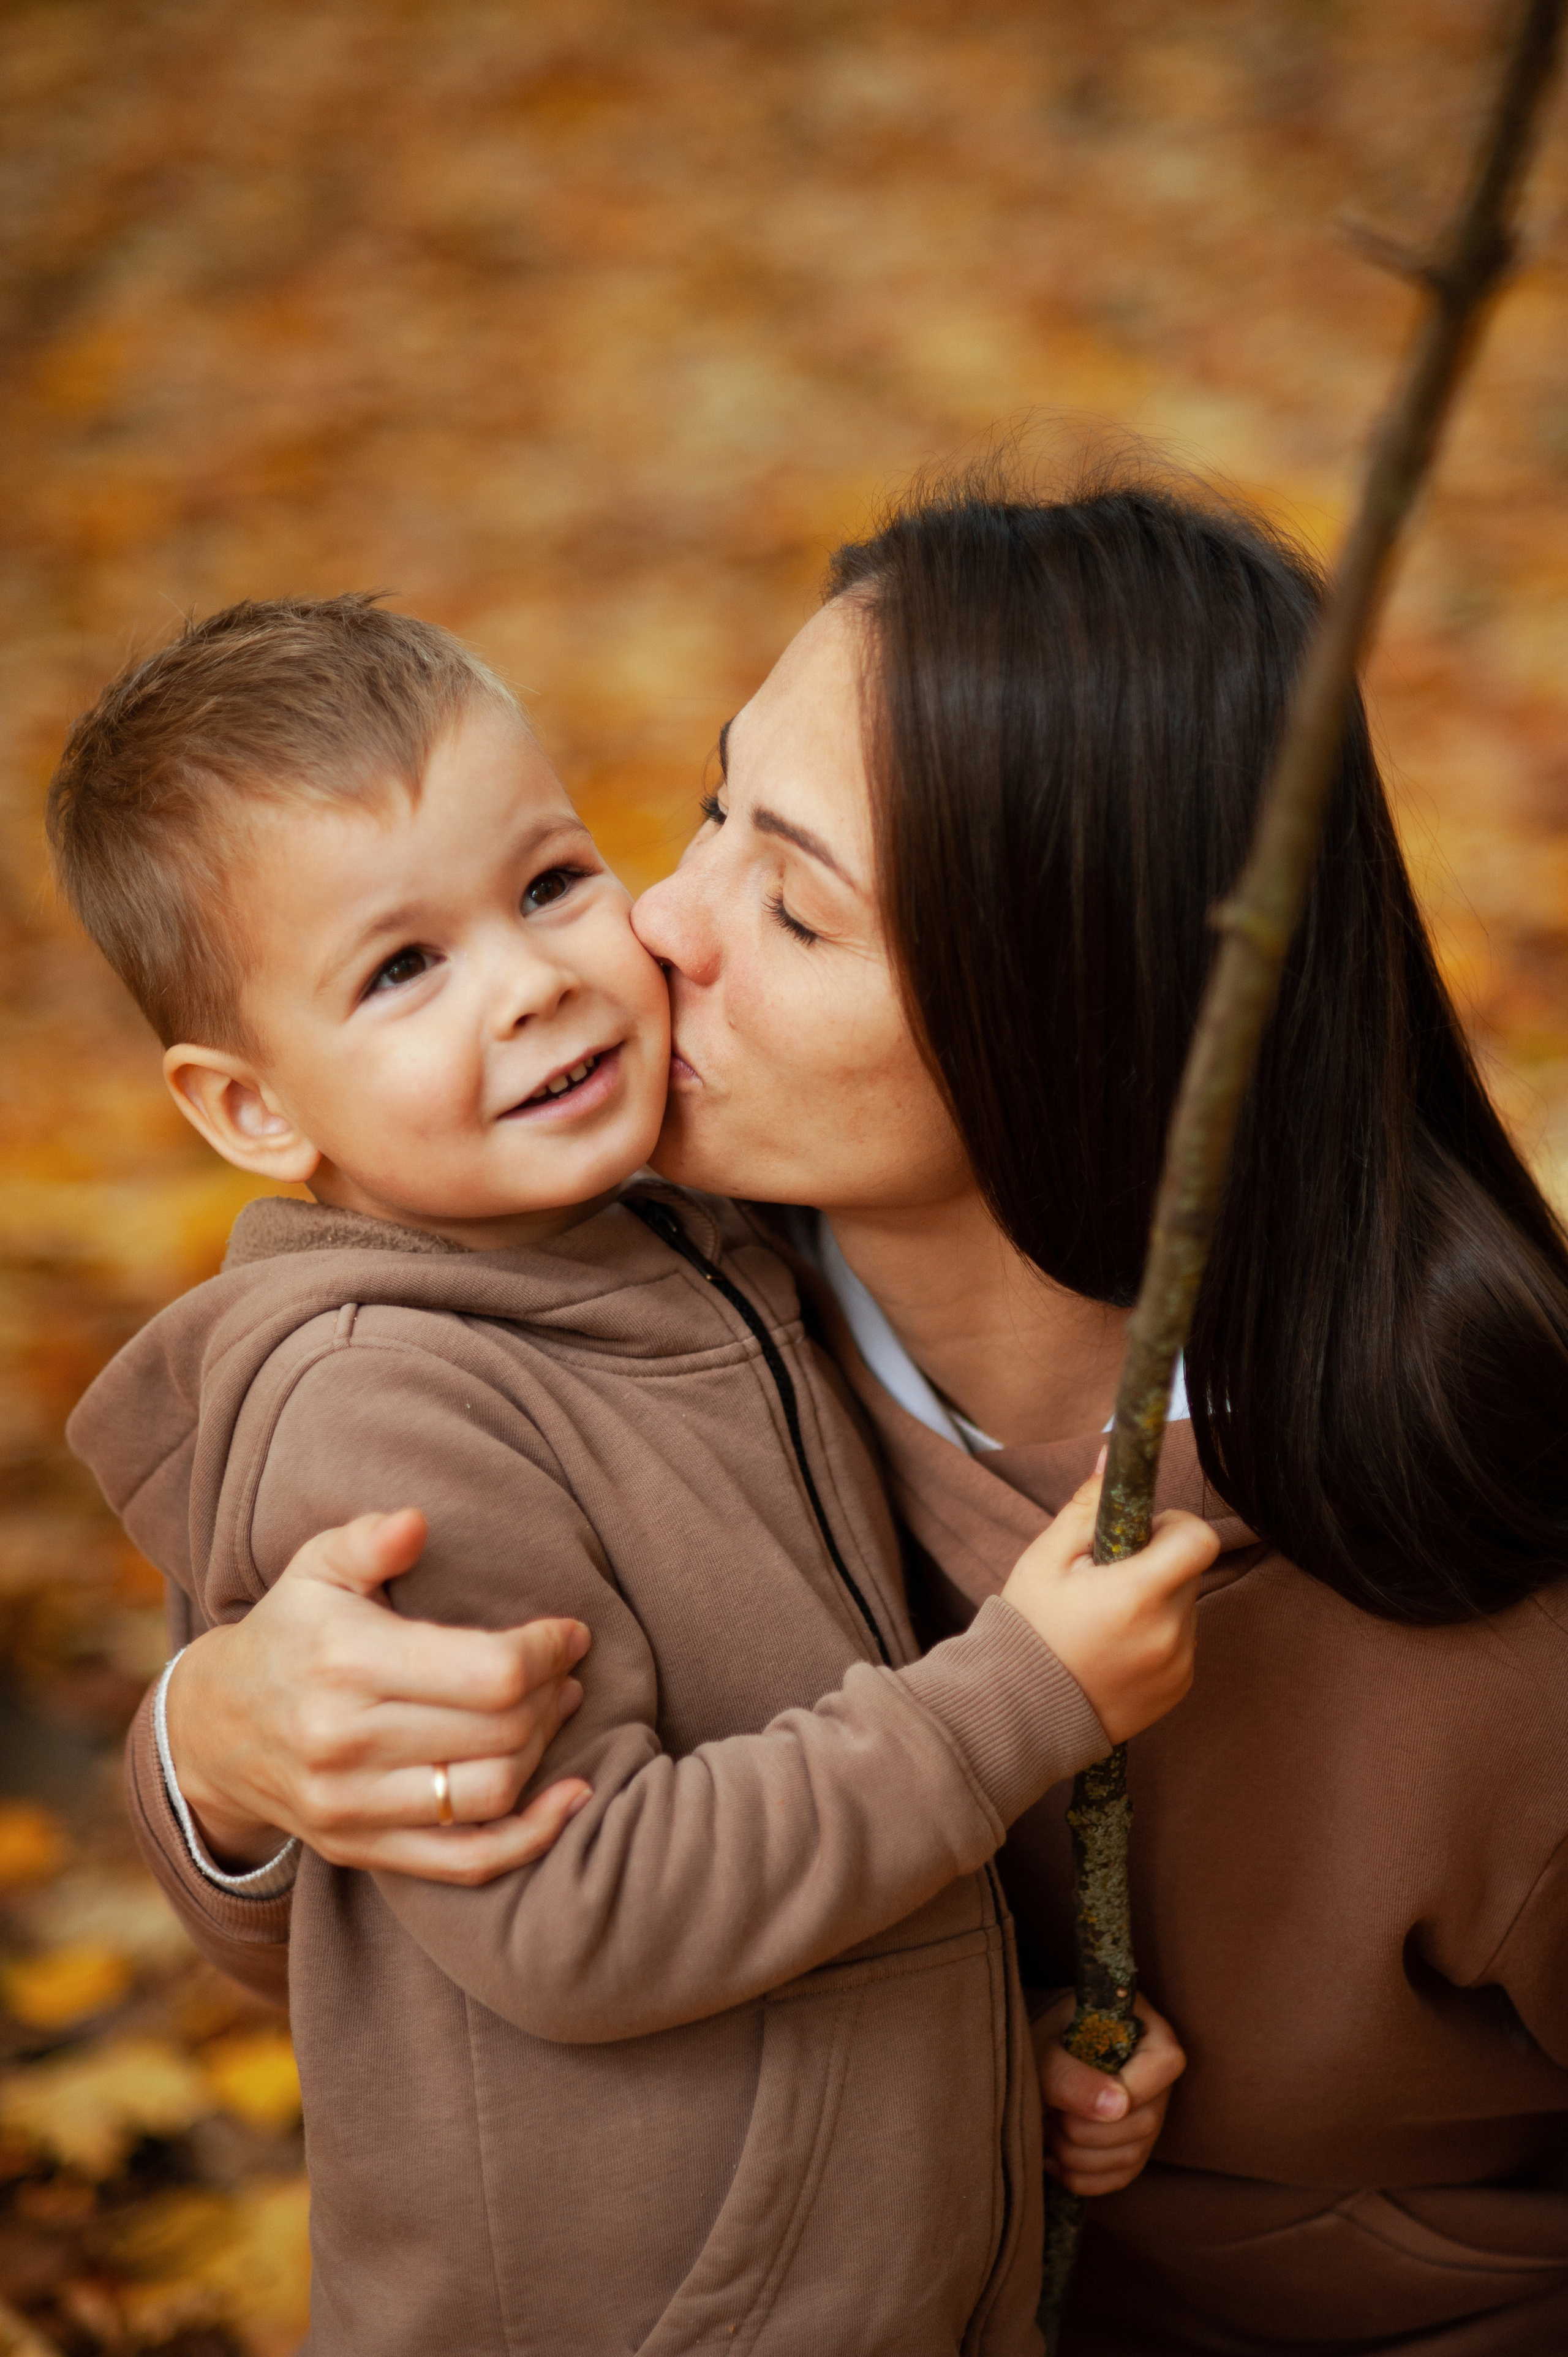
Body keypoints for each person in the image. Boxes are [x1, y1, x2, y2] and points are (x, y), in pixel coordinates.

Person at [137, 474, 1568, 2355]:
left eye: (796, 913)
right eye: (711, 809)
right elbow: (413, 1991)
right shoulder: (616, 1318)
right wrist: (221, 1759)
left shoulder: (1497, 1582)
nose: (654, 923)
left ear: (1074, 1019)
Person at [51, 593, 1216, 2357]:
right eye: (402, 969)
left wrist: (982, 2053)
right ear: (253, 1111)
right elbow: (582, 1916)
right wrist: (1019, 1700)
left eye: (547, 883)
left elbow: (776, 1757)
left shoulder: (683, 1241)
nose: (532, 981)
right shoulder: (388, 1424)